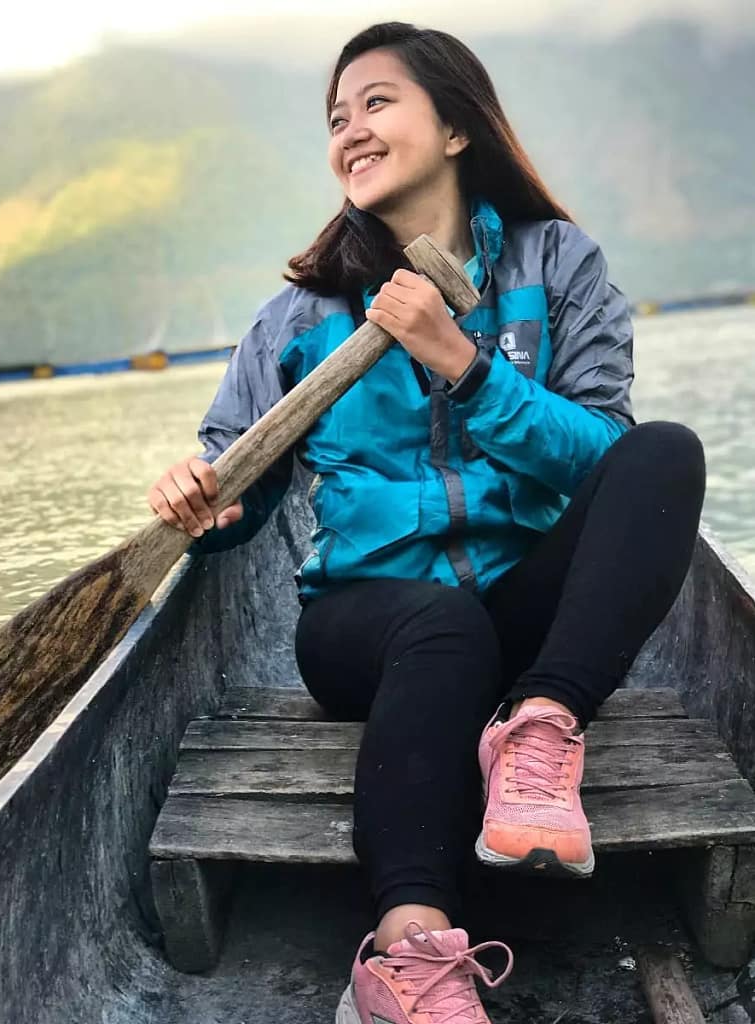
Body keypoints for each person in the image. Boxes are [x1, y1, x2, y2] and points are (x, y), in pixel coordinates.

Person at [147, 21, 706, 1024]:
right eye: (336, 117)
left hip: (526, 618)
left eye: (377, 101)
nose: (350, 129)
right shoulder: (297, 320)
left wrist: (468, 366)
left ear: (455, 126)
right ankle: (408, 956)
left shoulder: (557, 262)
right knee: (440, 627)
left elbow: (606, 463)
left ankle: (540, 730)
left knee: (667, 451)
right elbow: (240, 483)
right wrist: (207, 502)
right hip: (364, 625)